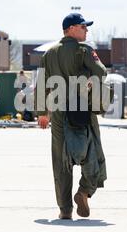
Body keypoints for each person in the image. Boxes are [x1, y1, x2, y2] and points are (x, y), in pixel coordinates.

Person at [35, 13, 108, 219]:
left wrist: (42, 113)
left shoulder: (49, 54)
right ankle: (84, 191)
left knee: (61, 162)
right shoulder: (84, 51)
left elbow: (41, 84)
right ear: (71, 28)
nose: (87, 30)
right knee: (92, 153)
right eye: (83, 27)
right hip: (82, 110)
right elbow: (101, 72)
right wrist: (87, 77)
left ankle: (65, 210)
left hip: (58, 112)